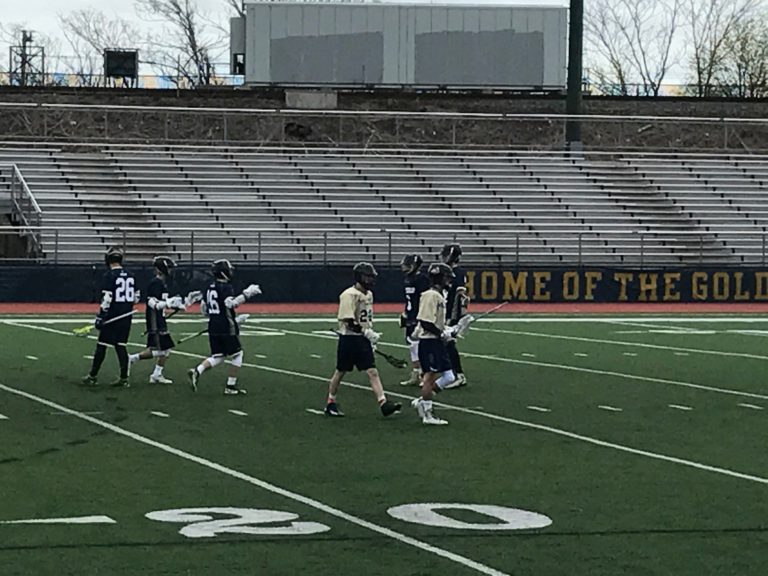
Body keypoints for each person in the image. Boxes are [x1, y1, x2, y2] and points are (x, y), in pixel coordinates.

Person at [324, 262, 402, 418]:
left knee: (372, 371)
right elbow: (348, 320)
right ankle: (330, 402)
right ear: (359, 277)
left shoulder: (368, 295)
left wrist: (368, 334)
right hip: (349, 339)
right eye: (367, 277)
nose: (370, 280)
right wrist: (366, 332)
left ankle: (383, 403)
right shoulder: (349, 294)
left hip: (362, 338)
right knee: (340, 371)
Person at [188, 259, 261, 395]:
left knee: (219, 356)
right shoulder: (226, 287)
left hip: (213, 324)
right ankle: (230, 386)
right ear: (223, 272)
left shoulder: (209, 287)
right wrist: (247, 294)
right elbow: (230, 304)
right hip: (226, 326)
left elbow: (204, 309)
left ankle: (198, 370)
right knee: (238, 354)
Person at [82, 246, 137, 388]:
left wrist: (101, 316)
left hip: (112, 315)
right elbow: (136, 297)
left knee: (102, 345)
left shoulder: (109, 276)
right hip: (126, 315)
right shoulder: (130, 274)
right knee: (121, 346)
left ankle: (93, 376)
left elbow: (107, 298)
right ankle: (124, 378)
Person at [410, 263, 458, 425]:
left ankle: (422, 401)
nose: (448, 281)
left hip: (435, 341)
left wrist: (449, 330)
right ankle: (427, 414)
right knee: (429, 377)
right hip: (430, 342)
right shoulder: (431, 295)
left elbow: (436, 322)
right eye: (446, 277)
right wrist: (441, 333)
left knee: (449, 376)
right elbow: (426, 322)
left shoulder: (438, 295)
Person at [128, 256, 188, 385]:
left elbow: (163, 302)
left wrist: (177, 305)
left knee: (163, 349)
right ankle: (133, 359)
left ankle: (155, 374)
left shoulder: (163, 283)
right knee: (162, 349)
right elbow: (152, 302)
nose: (171, 271)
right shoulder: (155, 283)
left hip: (159, 318)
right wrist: (168, 303)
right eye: (169, 268)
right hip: (155, 320)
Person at [440, 243, 469, 388]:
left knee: (448, 344)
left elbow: (461, 297)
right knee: (444, 344)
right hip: (445, 312)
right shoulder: (446, 271)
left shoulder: (458, 273)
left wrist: (460, 316)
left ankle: (458, 374)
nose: (443, 257)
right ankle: (451, 373)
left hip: (452, 314)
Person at [399, 253, 430, 386]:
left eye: (407, 265)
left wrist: (421, 317)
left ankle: (425, 375)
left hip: (419, 316)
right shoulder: (408, 278)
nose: (404, 267)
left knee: (421, 346)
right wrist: (405, 312)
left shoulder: (421, 279)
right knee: (412, 344)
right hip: (411, 314)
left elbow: (425, 299)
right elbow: (410, 300)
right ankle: (416, 373)